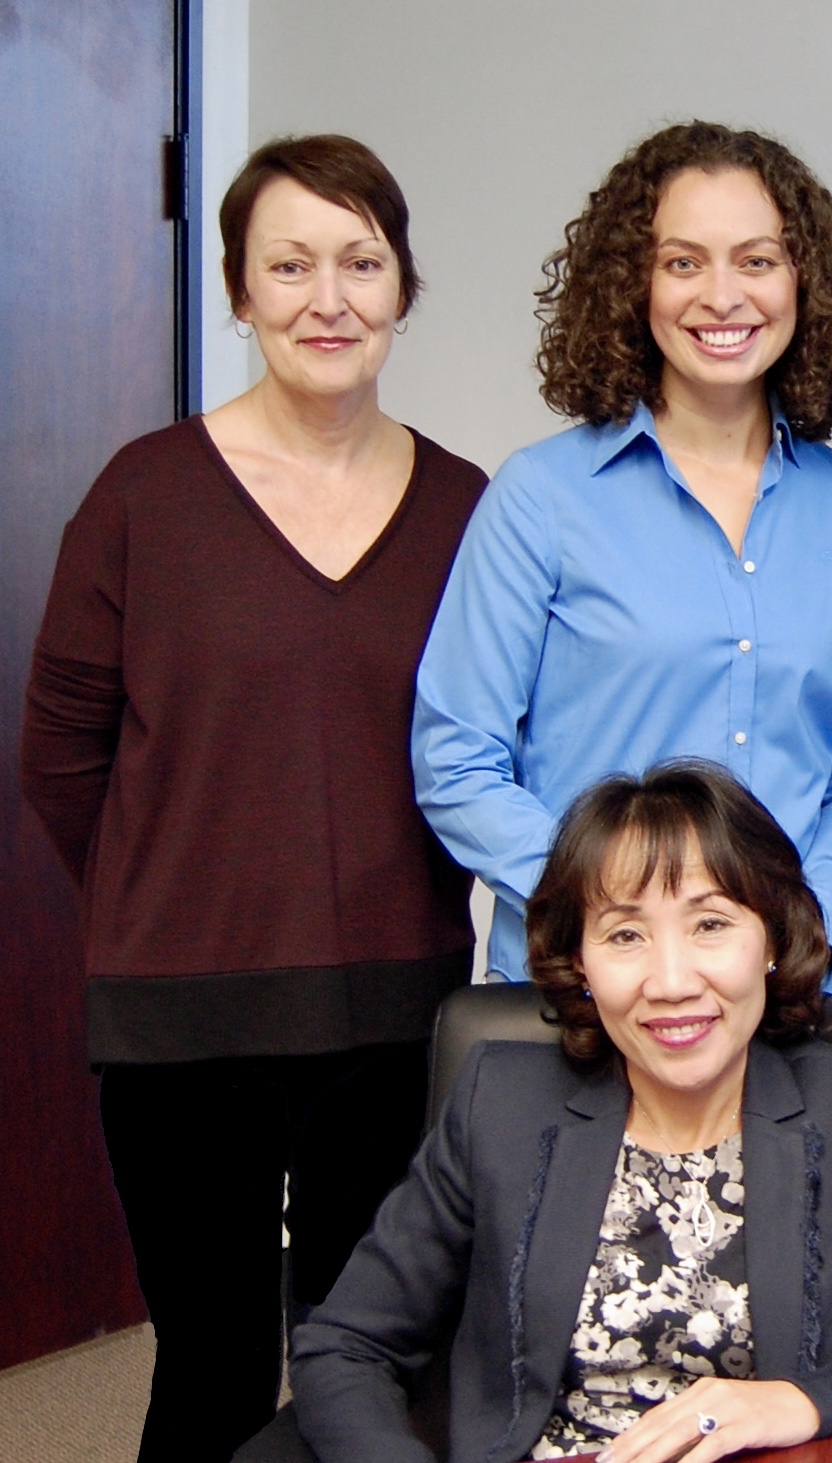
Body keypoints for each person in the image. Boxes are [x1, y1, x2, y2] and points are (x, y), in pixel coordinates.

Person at [18, 135, 483, 1461]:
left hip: (397, 1019)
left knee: (364, 1364)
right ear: (237, 290)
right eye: (288, 264)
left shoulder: (466, 509)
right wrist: (158, 896)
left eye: (358, 261)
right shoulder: (142, 495)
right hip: (181, 1027)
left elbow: (497, 738)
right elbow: (60, 749)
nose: (324, 297)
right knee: (213, 1362)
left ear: (401, 287)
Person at [290, 763, 832, 1462]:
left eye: (710, 923)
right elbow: (345, 1346)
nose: (671, 980)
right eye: (624, 935)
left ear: (773, 940)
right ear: (579, 963)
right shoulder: (502, 1100)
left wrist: (801, 1402)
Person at [413, 122, 832, 984]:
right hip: (579, 997)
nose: (722, 296)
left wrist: (800, 923)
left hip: (779, 999)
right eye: (683, 262)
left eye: (756, 261)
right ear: (633, 286)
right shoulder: (540, 497)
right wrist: (615, 920)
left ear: (805, 282)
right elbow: (456, 758)